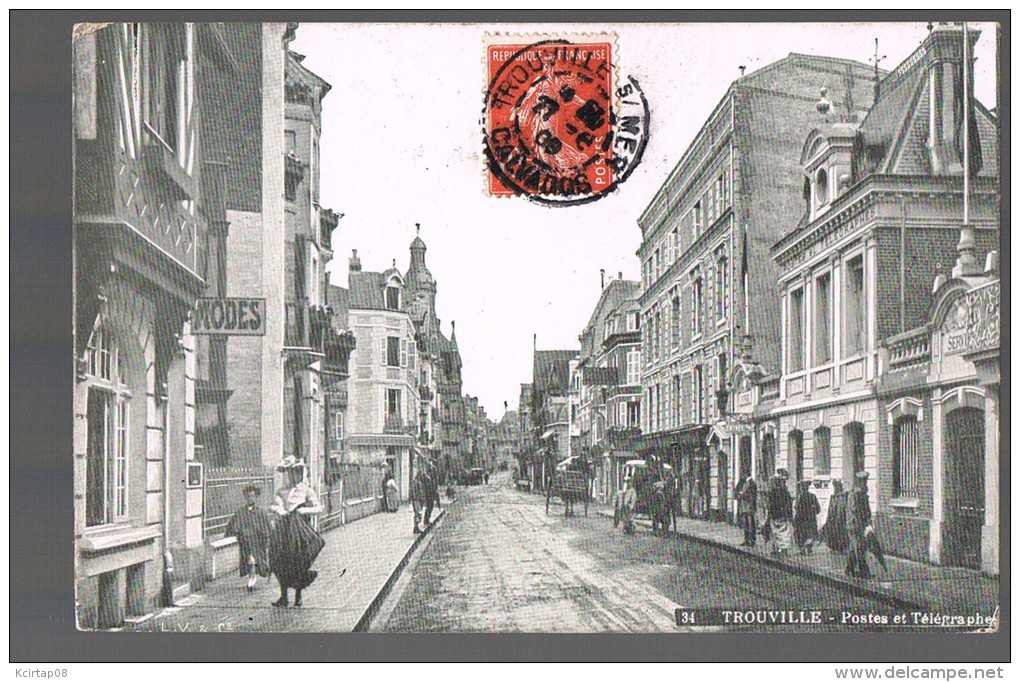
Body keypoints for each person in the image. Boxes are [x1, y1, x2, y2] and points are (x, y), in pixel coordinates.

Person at [268, 457, 325, 608]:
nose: (292, 476)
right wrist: (278, 509)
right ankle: (283, 596)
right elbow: (273, 505)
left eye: (295, 472)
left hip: (299, 530)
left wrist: (303, 510)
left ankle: (298, 597)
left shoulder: (306, 490)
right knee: (279, 560)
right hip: (283, 530)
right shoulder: (282, 490)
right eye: (289, 473)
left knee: (298, 562)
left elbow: (319, 508)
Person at [225, 484, 272, 592]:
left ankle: (252, 578)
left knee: (254, 560)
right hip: (246, 542)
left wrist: (267, 538)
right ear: (246, 497)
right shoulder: (241, 511)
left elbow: (267, 526)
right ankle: (252, 577)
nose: (250, 498)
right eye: (248, 496)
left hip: (257, 542)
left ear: (255, 497)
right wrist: (233, 532)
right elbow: (233, 524)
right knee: (249, 561)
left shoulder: (261, 512)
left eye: (252, 496)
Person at [845, 470, 874, 578]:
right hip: (855, 524)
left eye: (865, 481)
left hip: (857, 524)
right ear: (860, 481)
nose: (865, 483)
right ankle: (863, 570)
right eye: (864, 481)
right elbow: (855, 509)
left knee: (855, 547)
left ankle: (849, 569)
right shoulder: (856, 494)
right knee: (859, 547)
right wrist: (865, 518)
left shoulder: (859, 493)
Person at [766, 469, 794, 557]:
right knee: (783, 533)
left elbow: (770, 504)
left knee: (777, 533)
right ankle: (781, 550)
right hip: (781, 515)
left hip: (776, 515)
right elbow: (787, 504)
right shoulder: (784, 492)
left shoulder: (773, 492)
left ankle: (778, 549)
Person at [793, 480, 821, 555]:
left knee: (801, 534)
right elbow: (818, 509)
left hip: (801, 519)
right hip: (811, 519)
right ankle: (809, 550)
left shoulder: (800, 496)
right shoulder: (812, 496)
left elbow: (796, 507)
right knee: (810, 534)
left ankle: (802, 550)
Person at [822, 479, 849, 553]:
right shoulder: (834, 497)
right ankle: (835, 548)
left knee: (840, 534)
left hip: (839, 520)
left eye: (836, 487)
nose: (835, 489)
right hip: (833, 520)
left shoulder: (842, 497)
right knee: (834, 534)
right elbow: (830, 509)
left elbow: (841, 509)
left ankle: (841, 548)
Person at [734, 474, 757, 547]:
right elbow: (737, 490)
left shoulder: (752, 483)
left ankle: (752, 540)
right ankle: (746, 540)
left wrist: (741, 495)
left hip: (749, 506)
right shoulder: (743, 482)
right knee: (745, 524)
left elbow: (752, 495)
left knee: (750, 524)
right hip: (744, 506)